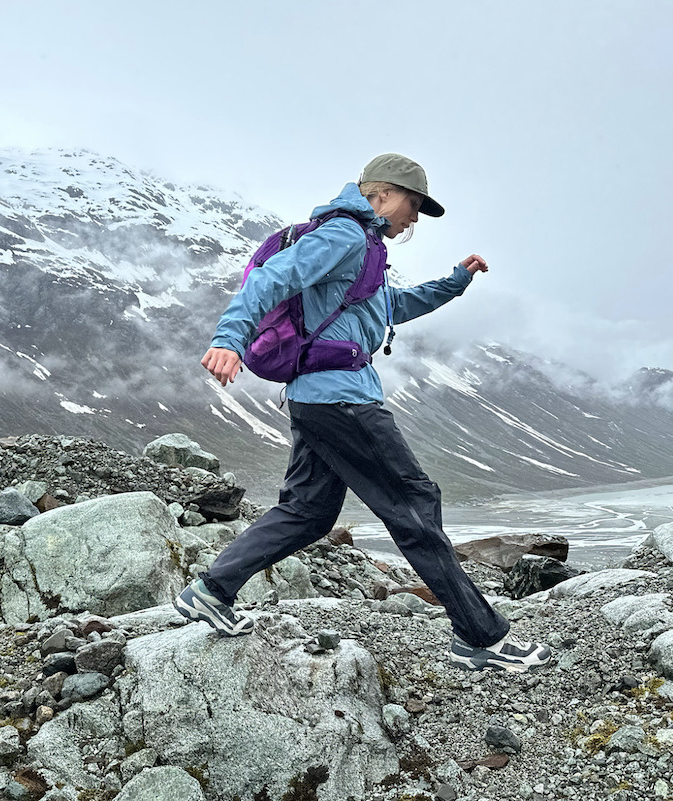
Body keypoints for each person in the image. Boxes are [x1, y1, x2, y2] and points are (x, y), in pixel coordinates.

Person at [172, 153, 552, 673]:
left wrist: (454, 282)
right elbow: (270, 281)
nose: (413, 220)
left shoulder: (365, 250)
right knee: (414, 502)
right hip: (342, 401)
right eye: (414, 206)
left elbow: (392, 307)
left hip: (318, 399)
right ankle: (480, 637)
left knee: (308, 511)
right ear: (385, 195)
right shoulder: (346, 236)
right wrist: (229, 339)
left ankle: (212, 591)